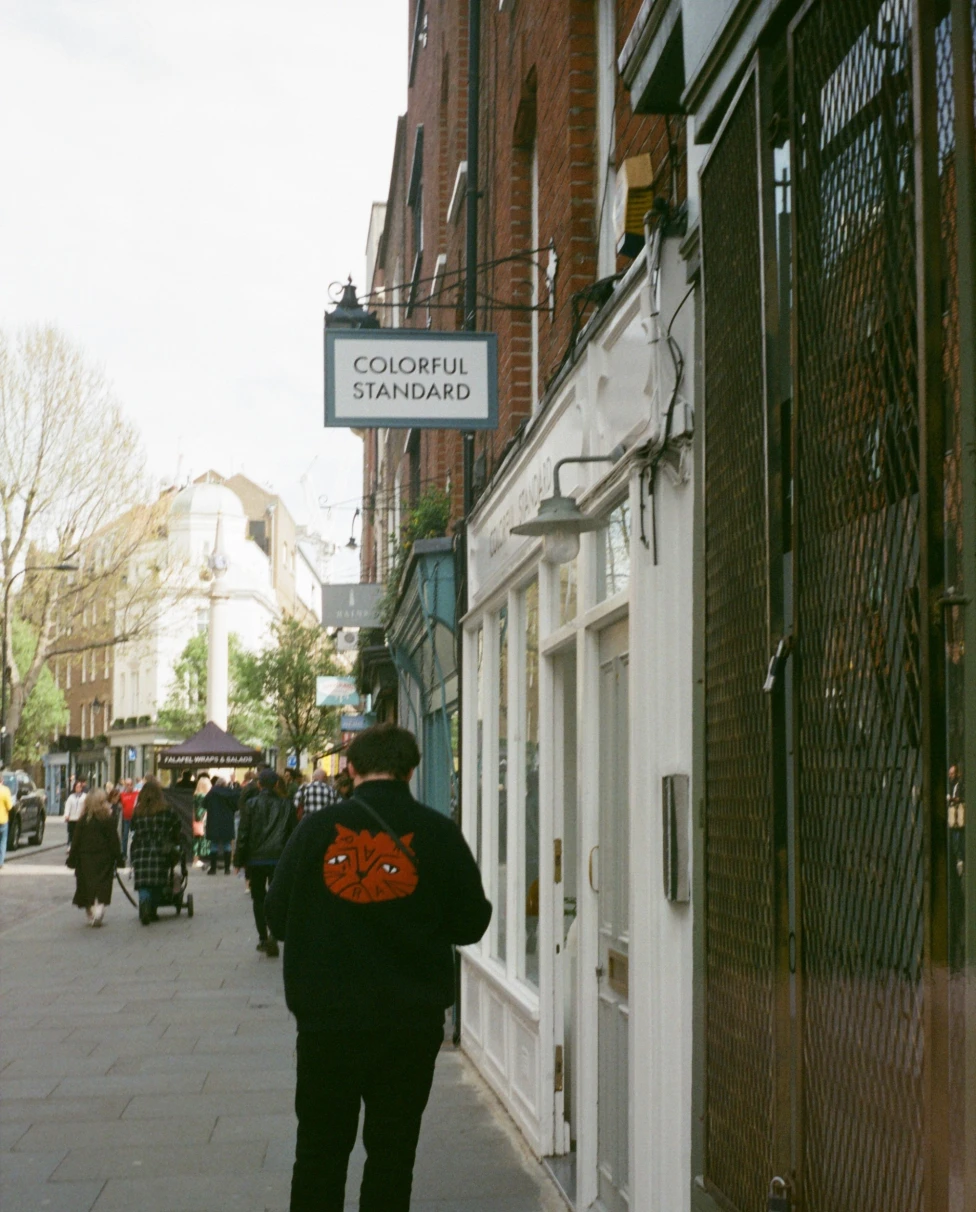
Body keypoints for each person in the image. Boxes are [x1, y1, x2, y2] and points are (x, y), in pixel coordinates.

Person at [265, 723, 492, 1212]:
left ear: (351, 768)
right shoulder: (438, 833)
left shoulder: (314, 832)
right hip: (409, 1023)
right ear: (411, 770)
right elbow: (472, 923)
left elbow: (277, 916)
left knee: (320, 1151)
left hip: (329, 1022)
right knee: (392, 1154)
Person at [235, 768, 295, 958]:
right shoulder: (287, 805)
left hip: (256, 858)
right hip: (279, 858)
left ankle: (262, 937)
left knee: (258, 897)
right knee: (277, 895)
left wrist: (239, 860)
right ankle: (274, 935)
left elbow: (243, 833)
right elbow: (293, 833)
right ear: (277, 784)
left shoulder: (251, 804)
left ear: (259, 784)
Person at [66, 788, 123, 926]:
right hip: (104, 858)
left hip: (85, 858)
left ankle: (91, 911)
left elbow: (76, 842)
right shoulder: (108, 820)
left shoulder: (83, 820)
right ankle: (99, 910)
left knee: (86, 886)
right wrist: (119, 859)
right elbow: (114, 841)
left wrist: (72, 859)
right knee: (103, 886)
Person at [129, 778, 181, 923]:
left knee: (143, 881)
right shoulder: (166, 810)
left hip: (140, 850)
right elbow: (177, 825)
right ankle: (152, 909)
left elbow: (133, 829)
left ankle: (144, 903)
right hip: (160, 849)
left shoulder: (137, 811)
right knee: (158, 881)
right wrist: (174, 839)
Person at [204, 777, 239, 874]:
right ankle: (227, 869)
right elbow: (236, 806)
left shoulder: (212, 792)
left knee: (214, 845)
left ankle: (213, 868)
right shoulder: (230, 793)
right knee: (227, 845)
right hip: (227, 821)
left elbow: (204, 804)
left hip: (214, 821)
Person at [192, 772, 212, 868]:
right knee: (204, 839)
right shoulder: (206, 796)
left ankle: (196, 859)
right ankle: (200, 860)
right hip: (204, 818)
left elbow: (194, 808)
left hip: (197, 818)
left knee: (197, 839)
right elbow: (206, 809)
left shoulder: (196, 795)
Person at [118, 778, 138, 862]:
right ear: (125, 786)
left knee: (135, 837)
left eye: (130, 784)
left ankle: (134, 854)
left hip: (135, 819)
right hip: (126, 818)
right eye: (127, 785)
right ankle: (124, 854)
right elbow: (120, 805)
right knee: (125, 836)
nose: (129, 786)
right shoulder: (122, 795)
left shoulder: (137, 793)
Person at [64, 779, 86, 845]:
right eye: (77, 787)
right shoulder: (71, 797)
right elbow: (67, 806)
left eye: (80, 787)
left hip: (80, 818)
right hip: (72, 818)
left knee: (80, 833)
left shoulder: (85, 796)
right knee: (71, 833)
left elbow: (86, 807)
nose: (78, 788)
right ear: (74, 788)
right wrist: (66, 815)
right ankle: (70, 845)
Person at [0, 776, 11, 869]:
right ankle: (0, 862)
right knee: (3, 842)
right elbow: (9, 806)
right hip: (3, 820)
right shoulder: (5, 790)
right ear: (2, 781)